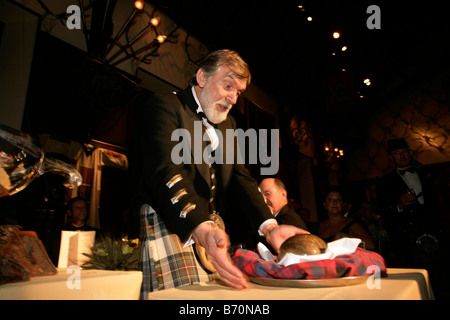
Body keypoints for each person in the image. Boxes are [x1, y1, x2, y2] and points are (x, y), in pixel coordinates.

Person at [135, 49, 308, 294]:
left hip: (211, 229)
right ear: (203, 78)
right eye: (228, 86)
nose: (234, 99)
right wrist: (200, 226)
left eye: (238, 92)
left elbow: (240, 177)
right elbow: (165, 169)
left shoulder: (229, 124)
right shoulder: (164, 106)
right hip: (170, 221)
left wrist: (270, 227)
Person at [376, 138, 442, 267]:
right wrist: (399, 205)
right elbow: (382, 210)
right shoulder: (385, 182)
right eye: (397, 153)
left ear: (410, 153)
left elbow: (438, 203)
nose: (402, 156)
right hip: (406, 237)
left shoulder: (427, 174)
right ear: (391, 157)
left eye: (405, 152)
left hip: (432, 230)